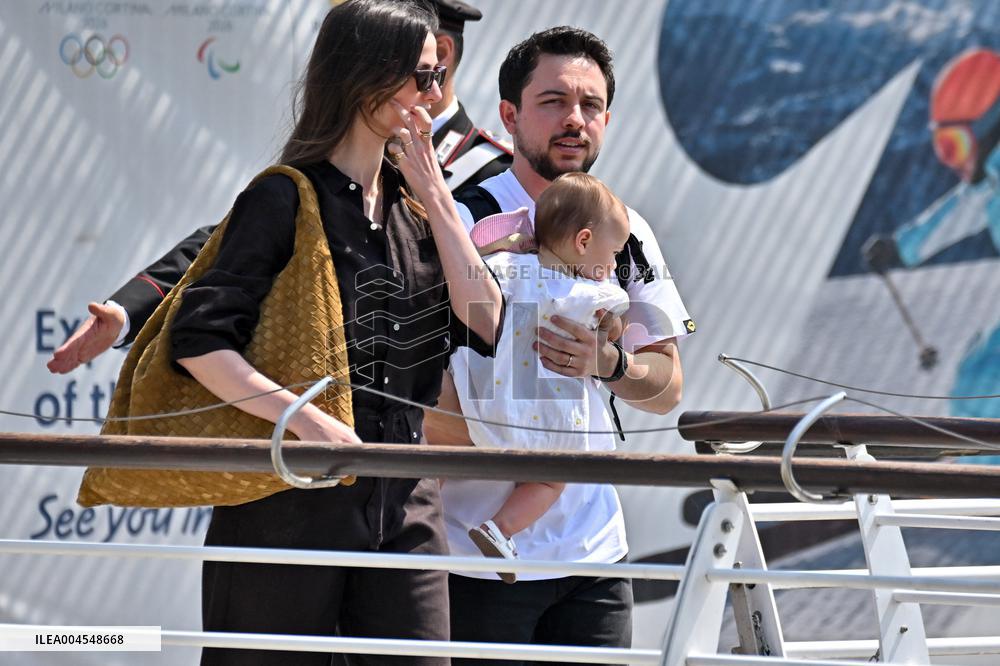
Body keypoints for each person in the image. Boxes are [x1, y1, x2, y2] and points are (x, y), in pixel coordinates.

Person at [89, 1, 502, 664]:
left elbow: (486, 319)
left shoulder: (418, 208)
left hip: (404, 509)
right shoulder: (282, 195)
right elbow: (198, 339)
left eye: (439, 75)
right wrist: (304, 420)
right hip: (286, 502)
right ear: (365, 76)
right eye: (420, 77)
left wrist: (433, 188)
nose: (435, 94)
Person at [46, 0, 510, 374]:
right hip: (338, 424)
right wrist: (130, 310)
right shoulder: (327, 165)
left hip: (448, 424)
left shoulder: (487, 172)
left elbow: (494, 319)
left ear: (441, 55)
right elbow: (236, 239)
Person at [423, 27, 695, 663]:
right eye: (553, 102)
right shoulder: (459, 221)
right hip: (473, 564)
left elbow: (667, 390)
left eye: (591, 105)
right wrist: (530, 432)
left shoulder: (627, 232)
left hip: (596, 558)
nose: (575, 121)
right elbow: (420, 399)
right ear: (509, 114)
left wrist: (610, 363)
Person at [441, 173, 631, 584]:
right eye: (613, 253)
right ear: (583, 242)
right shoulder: (586, 293)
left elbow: (471, 267)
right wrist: (610, 331)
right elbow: (613, 325)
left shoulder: (505, 267)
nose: (613, 265)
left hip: (486, 408)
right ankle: (499, 529)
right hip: (544, 413)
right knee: (550, 477)